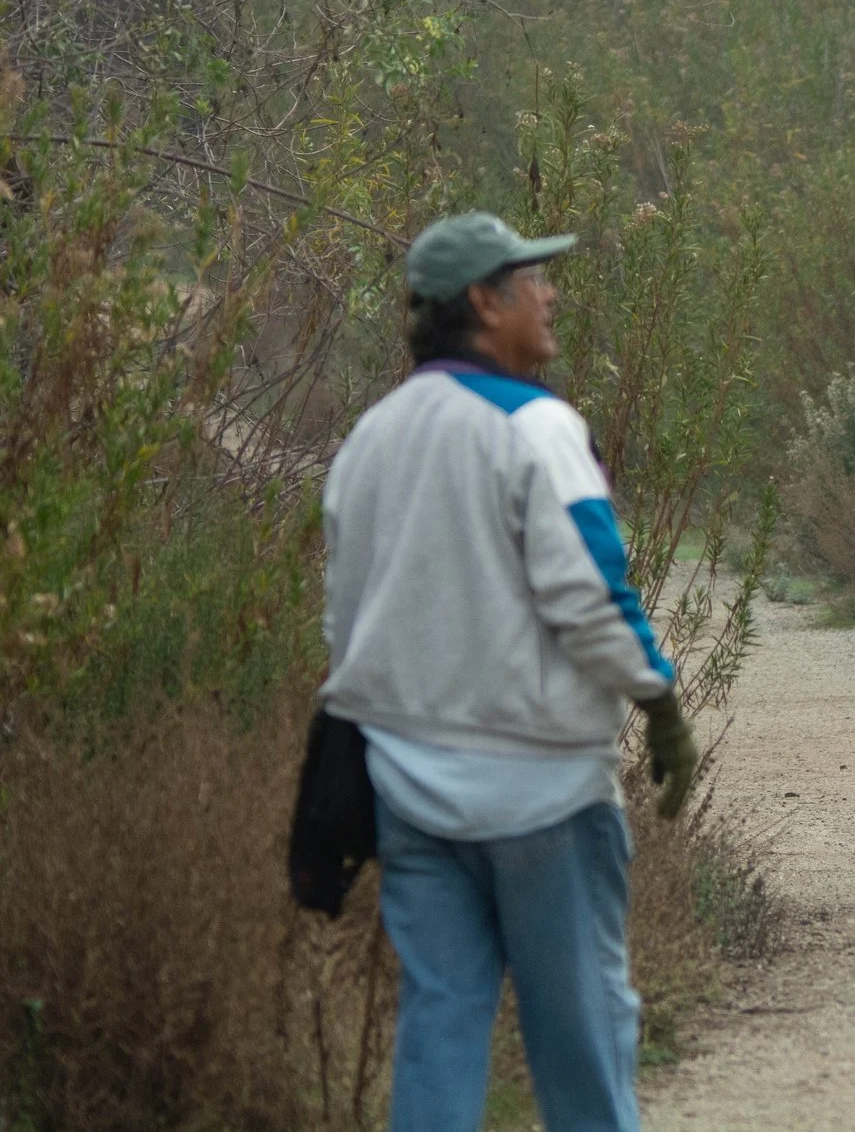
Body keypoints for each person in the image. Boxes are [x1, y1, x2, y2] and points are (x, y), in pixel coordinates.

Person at [320, 212, 700, 1132]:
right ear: (485, 303)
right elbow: (591, 593)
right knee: (580, 1039)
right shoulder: (537, 424)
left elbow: (344, 622)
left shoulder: (370, 437)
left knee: (442, 1030)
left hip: (407, 790)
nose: (551, 291)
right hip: (541, 795)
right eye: (531, 279)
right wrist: (658, 698)